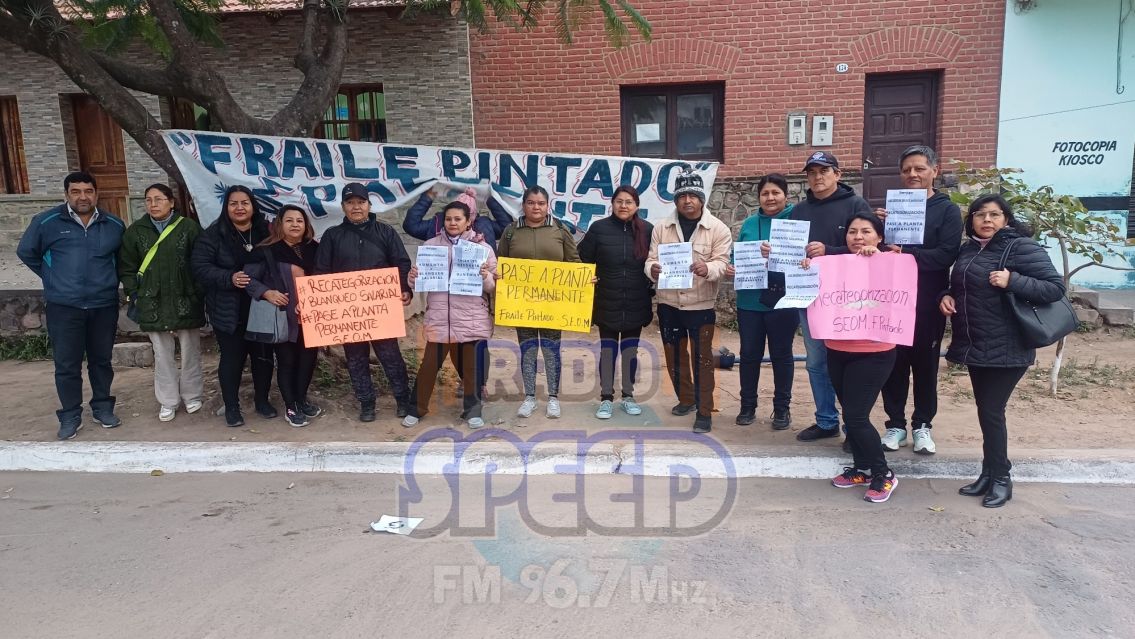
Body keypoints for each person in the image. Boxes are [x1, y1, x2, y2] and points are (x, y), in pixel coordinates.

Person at [940, 195, 1064, 508]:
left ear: (1006, 219)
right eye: (980, 215)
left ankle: (1002, 478)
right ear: (972, 221)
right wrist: (946, 296)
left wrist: (1013, 280)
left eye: (995, 214)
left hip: (1008, 345)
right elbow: (961, 285)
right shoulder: (969, 249)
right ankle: (988, 472)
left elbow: (1054, 288)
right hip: (976, 344)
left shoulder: (1021, 247)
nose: (987, 220)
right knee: (986, 411)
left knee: (992, 411)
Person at [17, 171, 125, 440]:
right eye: (76, 192)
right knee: (67, 364)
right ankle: (70, 415)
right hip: (64, 306)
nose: (83, 197)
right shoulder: (47, 222)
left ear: (96, 194)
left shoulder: (113, 224)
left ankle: (102, 408)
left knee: (101, 360)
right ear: (66, 194)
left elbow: (123, 261)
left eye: (88, 191)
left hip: (103, 304)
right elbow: (27, 252)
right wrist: (53, 277)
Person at [875, 146, 963, 455]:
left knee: (925, 365)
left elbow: (946, 254)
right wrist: (878, 227)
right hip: (892, 299)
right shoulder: (893, 209)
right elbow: (879, 251)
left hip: (928, 300)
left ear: (934, 171)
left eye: (919, 168)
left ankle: (923, 425)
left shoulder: (947, 209)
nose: (913, 174)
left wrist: (908, 254)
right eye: (907, 169)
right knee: (893, 363)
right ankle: (895, 425)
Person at [811, 213, 900, 503]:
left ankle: (883, 473)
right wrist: (806, 272)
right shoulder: (832, 266)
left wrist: (881, 257)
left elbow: (903, 285)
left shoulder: (892, 262)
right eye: (852, 232)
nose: (858, 237)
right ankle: (861, 468)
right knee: (850, 410)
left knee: (856, 416)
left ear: (879, 237)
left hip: (873, 352)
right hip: (838, 349)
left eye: (865, 231)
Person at [785, 151, 872, 444]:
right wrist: (776, 254)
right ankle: (826, 420)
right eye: (811, 172)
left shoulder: (856, 205)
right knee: (816, 361)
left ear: (838, 174)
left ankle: (853, 428)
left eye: (824, 171)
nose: (817, 177)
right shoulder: (798, 211)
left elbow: (867, 247)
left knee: (847, 363)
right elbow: (793, 253)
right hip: (810, 296)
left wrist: (830, 251)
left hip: (847, 298)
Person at [314, 182, 414, 422]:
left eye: (361, 202)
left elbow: (401, 263)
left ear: (369, 205)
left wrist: (404, 289)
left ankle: (403, 399)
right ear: (343, 207)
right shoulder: (332, 235)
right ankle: (366, 403)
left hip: (381, 308)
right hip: (347, 312)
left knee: (390, 356)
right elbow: (321, 271)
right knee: (355, 359)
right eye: (350, 203)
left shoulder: (385, 232)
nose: (356, 207)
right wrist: (325, 304)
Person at [645, 169, 732, 433]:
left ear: (702, 199)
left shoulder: (718, 228)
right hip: (669, 304)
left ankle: (704, 411)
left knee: (703, 359)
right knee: (674, 356)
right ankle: (686, 399)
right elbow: (650, 260)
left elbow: (722, 262)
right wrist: (653, 270)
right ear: (675, 200)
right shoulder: (662, 227)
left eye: (693, 195)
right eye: (682, 195)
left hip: (700, 305)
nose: (688, 201)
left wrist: (709, 269)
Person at [402, 195, 498, 429]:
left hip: (470, 317)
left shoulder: (481, 249)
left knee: (471, 369)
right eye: (448, 219)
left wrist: (485, 275)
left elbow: (492, 286)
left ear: (468, 222)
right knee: (428, 366)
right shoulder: (430, 246)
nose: (452, 223)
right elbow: (419, 283)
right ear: (443, 222)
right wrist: (412, 278)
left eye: (458, 219)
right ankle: (416, 409)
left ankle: (473, 411)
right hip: (439, 318)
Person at [118, 183, 205, 423]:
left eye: (158, 199)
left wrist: (197, 291)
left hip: (185, 299)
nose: (153, 204)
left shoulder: (188, 228)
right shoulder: (136, 232)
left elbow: (200, 262)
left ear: (171, 202)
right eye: (148, 200)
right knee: (162, 353)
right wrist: (135, 293)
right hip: (152, 302)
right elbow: (127, 267)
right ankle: (168, 400)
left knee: (190, 351)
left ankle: (192, 395)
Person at [191, 185, 275, 427]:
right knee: (232, 359)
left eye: (244, 203)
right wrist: (229, 278)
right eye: (233, 203)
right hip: (228, 309)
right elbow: (200, 267)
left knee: (263, 357)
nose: (239, 208)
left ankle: (262, 401)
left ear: (253, 206)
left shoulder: (266, 232)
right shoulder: (213, 234)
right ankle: (232, 407)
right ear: (226, 207)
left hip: (261, 307)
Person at [495, 185, 580, 419]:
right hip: (522, 304)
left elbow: (573, 261)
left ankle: (553, 398)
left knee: (552, 350)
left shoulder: (560, 229)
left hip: (553, 303)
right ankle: (529, 397)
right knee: (528, 349)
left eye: (541, 203)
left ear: (547, 205)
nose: (536, 207)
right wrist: (498, 275)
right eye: (531, 203)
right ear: (523, 205)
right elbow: (501, 262)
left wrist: (584, 278)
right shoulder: (511, 231)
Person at [726, 173, 799, 429]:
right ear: (759, 197)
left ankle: (782, 410)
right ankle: (747, 407)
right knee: (749, 356)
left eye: (775, 193)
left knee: (782, 356)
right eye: (765, 193)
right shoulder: (748, 224)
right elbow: (737, 255)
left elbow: (802, 258)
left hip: (783, 301)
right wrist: (732, 268)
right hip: (750, 301)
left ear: (785, 195)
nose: (770, 197)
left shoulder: (796, 220)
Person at [578, 185, 654, 419]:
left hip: (636, 300)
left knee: (630, 351)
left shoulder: (648, 230)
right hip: (606, 300)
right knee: (608, 351)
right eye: (619, 201)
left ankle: (628, 396)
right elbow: (582, 258)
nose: (624, 206)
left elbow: (657, 260)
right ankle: (606, 398)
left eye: (629, 202)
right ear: (612, 204)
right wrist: (586, 275)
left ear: (637, 206)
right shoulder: (599, 229)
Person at [243, 205, 322, 428]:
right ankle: (290, 406)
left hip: (311, 317)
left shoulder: (315, 249)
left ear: (306, 225)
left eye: (299, 220)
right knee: (287, 362)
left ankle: (301, 399)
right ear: (280, 224)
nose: (295, 224)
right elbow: (248, 280)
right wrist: (267, 293)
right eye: (289, 220)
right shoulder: (267, 250)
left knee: (308, 361)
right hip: (283, 317)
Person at [403, 184, 514, 247]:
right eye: (451, 218)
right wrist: (428, 196)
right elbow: (411, 225)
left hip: (479, 285)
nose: (453, 222)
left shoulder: (484, 224)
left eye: (460, 217)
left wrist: (490, 198)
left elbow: (508, 227)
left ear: (470, 219)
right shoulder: (438, 222)